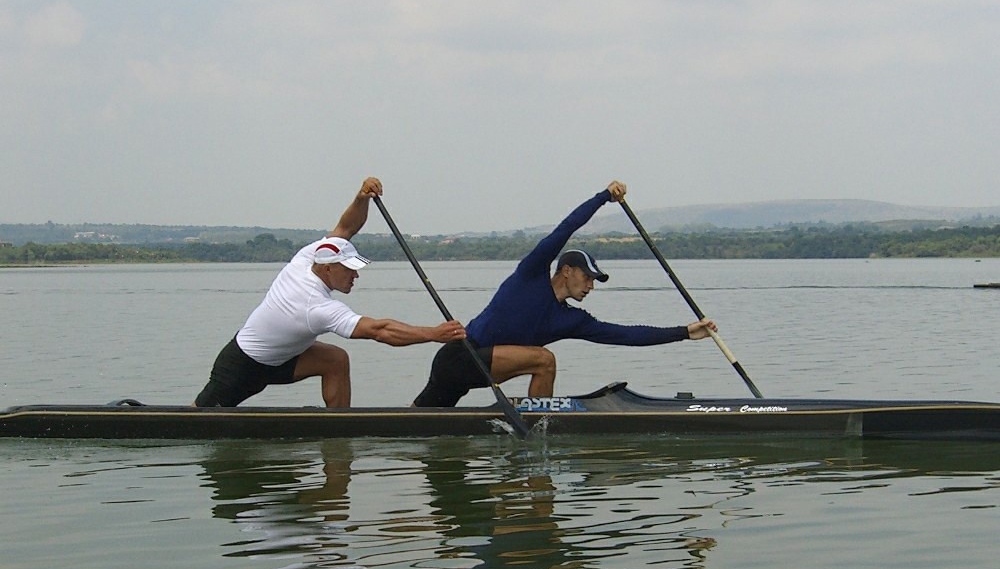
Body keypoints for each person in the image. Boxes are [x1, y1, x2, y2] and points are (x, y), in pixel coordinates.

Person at [412, 180, 717, 407]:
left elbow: (626, 334)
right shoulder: (531, 274)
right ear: (567, 271)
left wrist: (685, 332)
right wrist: (603, 198)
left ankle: (532, 423)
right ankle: (539, 426)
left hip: (480, 369)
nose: (590, 286)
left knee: (419, 421)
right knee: (545, 360)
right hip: (459, 358)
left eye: (595, 281)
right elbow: (565, 228)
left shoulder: (571, 320)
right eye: (587, 277)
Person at [194, 177, 466, 407]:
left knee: (335, 359)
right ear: (326, 270)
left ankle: (338, 425)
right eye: (348, 269)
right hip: (242, 366)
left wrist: (362, 198)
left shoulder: (309, 256)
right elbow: (379, 331)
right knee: (198, 415)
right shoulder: (316, 306)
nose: (355, 275)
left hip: (284, 358)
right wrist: (432, 334)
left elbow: (346, 228)